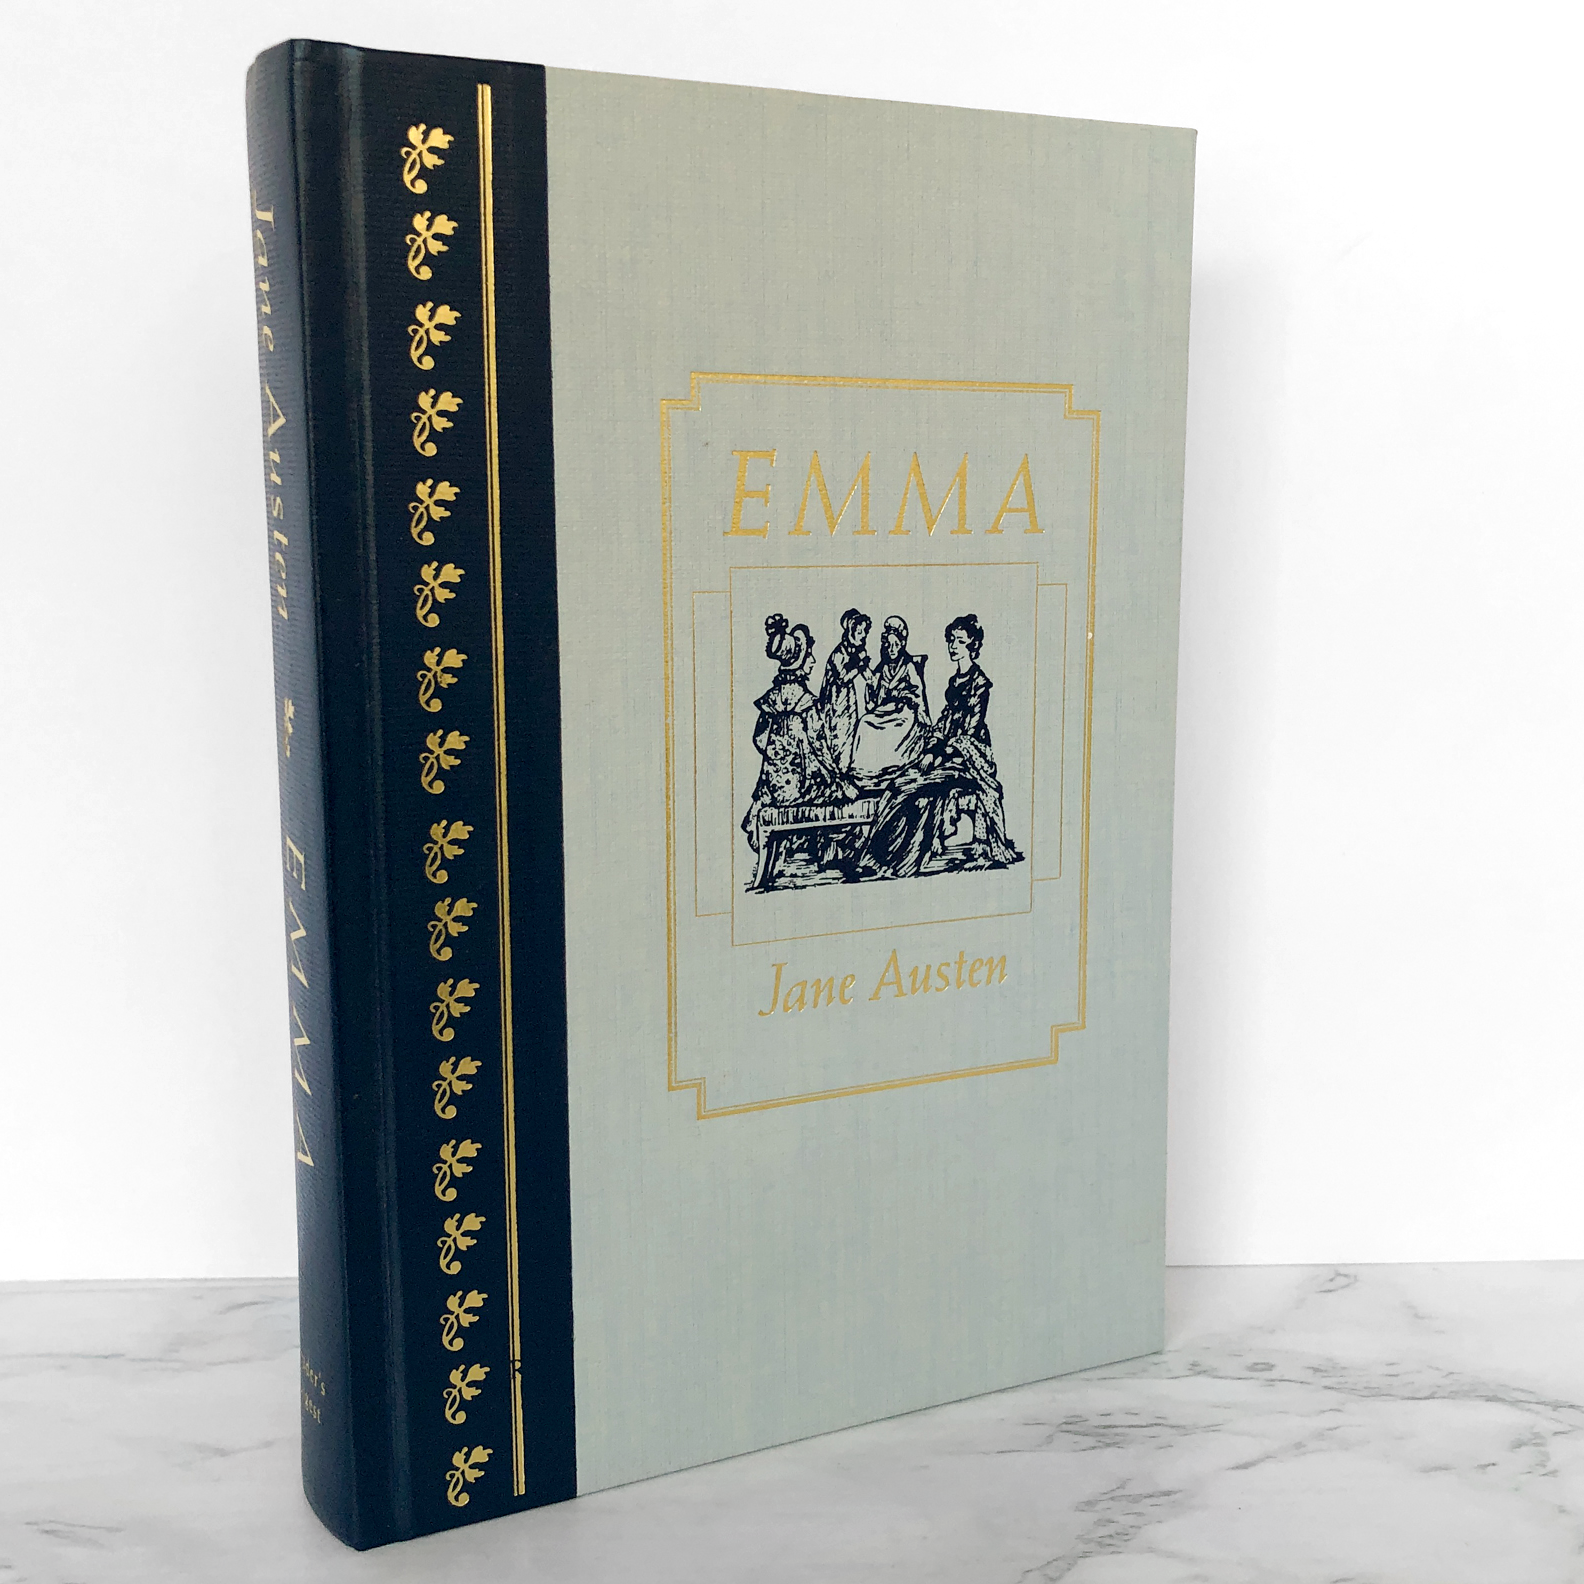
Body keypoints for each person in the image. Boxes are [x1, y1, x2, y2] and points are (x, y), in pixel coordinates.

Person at [857, 613, 1023, 879]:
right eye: (951, 640)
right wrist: (931, 749)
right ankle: (879, 858)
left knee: (912, 788)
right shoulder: (954, 681)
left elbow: (969, 731)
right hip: (946, 756)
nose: (953, 646)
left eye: (960, 641)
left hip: (970, 759)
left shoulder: (980, 684)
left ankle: (893, 862)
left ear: (973, 646)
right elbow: (943, 724)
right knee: (900, 784)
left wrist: (938, 756)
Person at [741, 614, 848, 854]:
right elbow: (820, 744)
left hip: (773, 787)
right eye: (809, 655)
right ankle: (827, 851)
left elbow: (759, 739)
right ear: (799, 663)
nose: (813, 660)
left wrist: (778, 755)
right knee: (838, 791)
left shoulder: (771, 699)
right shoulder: (805, 701)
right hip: (801, 786)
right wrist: (836, 774)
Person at [851, 615, 930, 776]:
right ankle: (863, 769)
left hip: (904, 712)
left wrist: (904, 695)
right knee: (865, 722)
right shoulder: (884, 666)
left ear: (902, 644)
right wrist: (871, 684)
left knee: (897, 727)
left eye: (896, 644)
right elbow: (874, 687)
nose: (892, 649)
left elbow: (917, 692)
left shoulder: (908, 666)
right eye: (889, 644)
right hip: (885, 710)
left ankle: (892, 766)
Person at [818, 608, 874, 771]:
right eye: (859, 632)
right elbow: (842, 678)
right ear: (850, 630)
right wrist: (859, 667)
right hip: (834, 700)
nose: (863, 636)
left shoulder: (858, 651)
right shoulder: (838, 653)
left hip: (848, 698)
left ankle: (844, 770)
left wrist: (873, 681)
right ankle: (836, 772)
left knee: (850, 730)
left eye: (864, 632)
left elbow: (867, 674)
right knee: (837, 733)